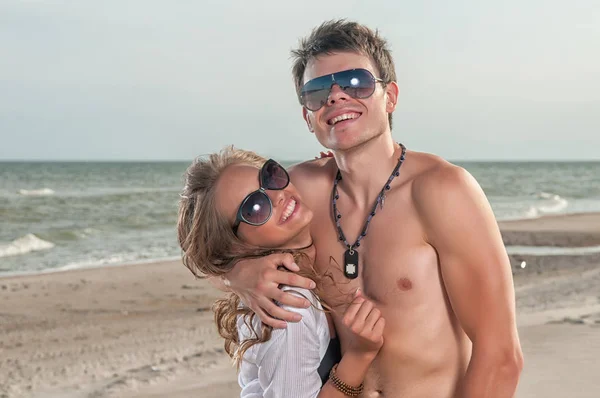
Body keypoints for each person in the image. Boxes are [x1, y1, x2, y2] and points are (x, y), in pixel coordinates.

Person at [213, 20, 524, 397]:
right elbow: (214, 234)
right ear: (307, 117)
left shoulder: (441, 191)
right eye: (317, 91)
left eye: (356, 82)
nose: (336, 97)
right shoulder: (299, 192)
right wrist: (239, 273)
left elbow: (500, 355)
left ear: (390, 96)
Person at [177, 146, 387, 397]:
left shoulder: (297, 271)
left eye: (271, 176)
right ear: (234, 244)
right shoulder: (291, 308)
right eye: (254, 206)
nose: (277, 196)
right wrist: (359, 355)